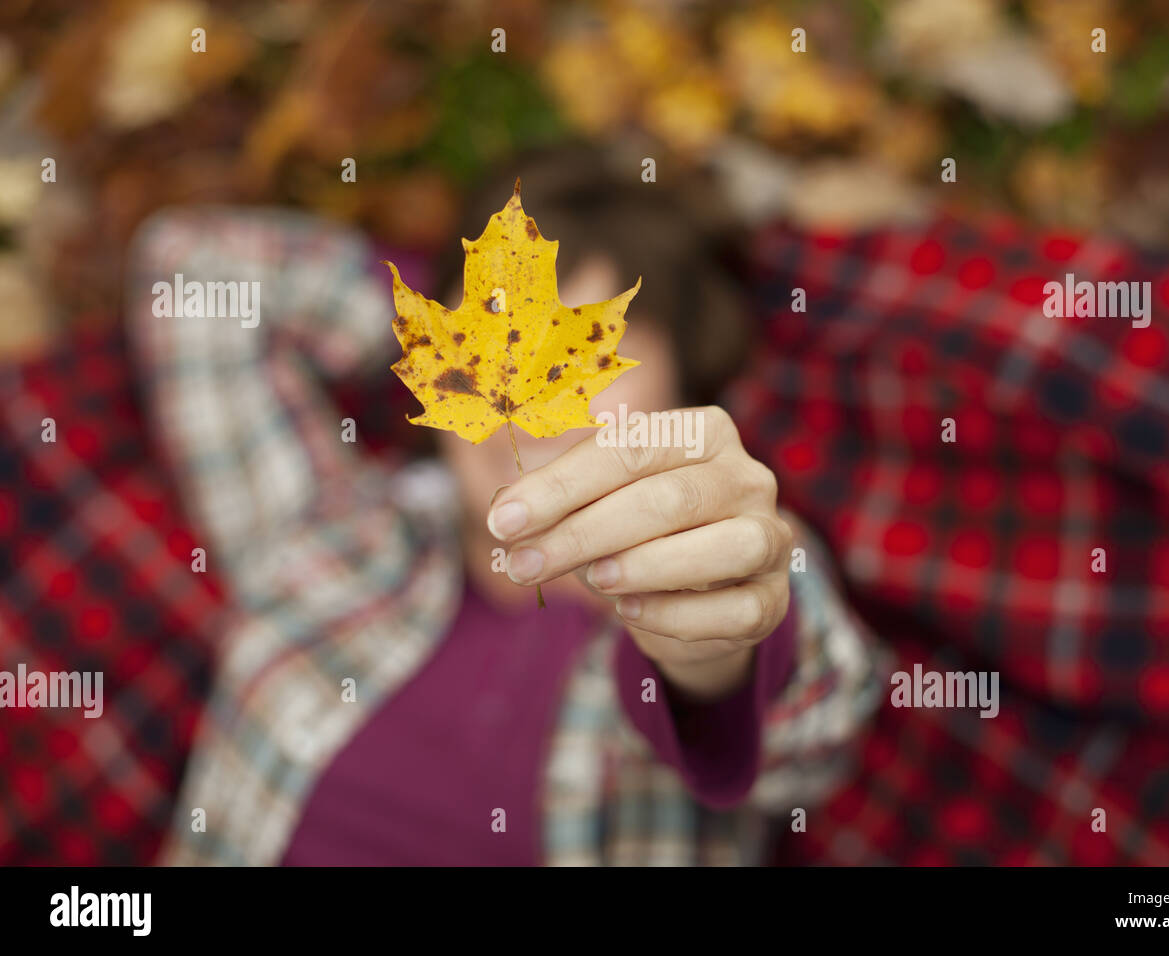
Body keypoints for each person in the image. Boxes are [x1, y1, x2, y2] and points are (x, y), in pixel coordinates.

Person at [127, 146, 886, 865]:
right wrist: (424, 320)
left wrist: (715, 650)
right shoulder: (332, 532)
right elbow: (193, 263)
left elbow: (814, 726)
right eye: (492, 347)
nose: (528, 398)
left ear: (686, 391)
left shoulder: (744, 540)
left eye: (582, 359)